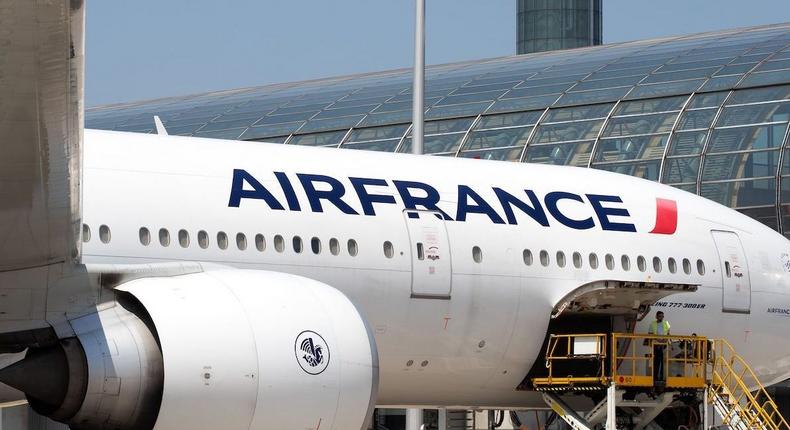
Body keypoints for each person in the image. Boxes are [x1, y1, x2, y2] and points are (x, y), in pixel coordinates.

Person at [647, 311, 670, 385]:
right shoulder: (652, 324)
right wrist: (657, 339)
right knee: (656, 361)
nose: (661, 318)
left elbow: (669, 333)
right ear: (656, 316)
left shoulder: (666, 323)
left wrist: (665, 339)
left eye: (662, 316)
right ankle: (655, 377)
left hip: (664, 345)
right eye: (660, 316)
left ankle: (662, 377)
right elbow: (650, 334)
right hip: (656, 345)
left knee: (663, 362)